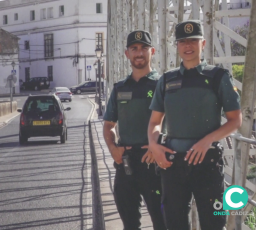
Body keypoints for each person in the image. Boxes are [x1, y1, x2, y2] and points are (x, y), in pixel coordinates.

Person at [148, 20, 242, 230]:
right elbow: (155, 122)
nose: (188, 46)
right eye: (182, 41)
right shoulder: (166, 80)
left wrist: (207, 140)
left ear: (203, 43)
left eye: (193, 41)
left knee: (214, 223)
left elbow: (236, 120)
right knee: (174, 224)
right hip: (172, 163)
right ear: (177, 46)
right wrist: (154, 145)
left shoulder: (218, 77)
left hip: (207, 162)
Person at [103, 30, 166, 230]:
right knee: (130, 225)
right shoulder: (120, 88)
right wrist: (113, 148)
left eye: (144, 48)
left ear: (152, 51)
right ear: (127, 54)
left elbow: (173, 122)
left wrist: (157, 146)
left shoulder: (163, 85)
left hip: (154, 164)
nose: (139, 53)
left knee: (162, 223)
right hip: (127, 164)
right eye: (134, 48)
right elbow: (109, 125)